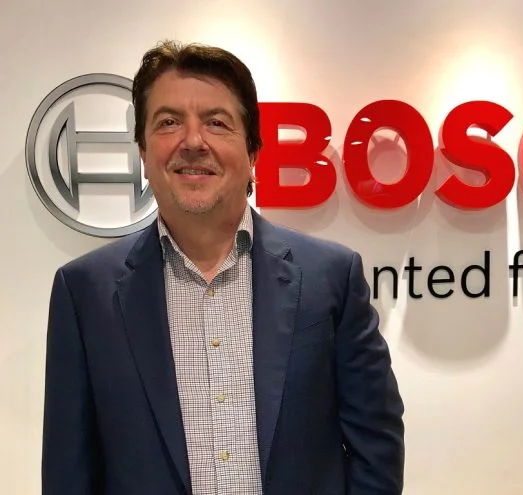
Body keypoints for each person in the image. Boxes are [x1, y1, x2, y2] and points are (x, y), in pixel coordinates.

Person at [41, 40, 405, 495]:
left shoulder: (331, 277)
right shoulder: (84, 294)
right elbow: (69, 471)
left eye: (217, 122)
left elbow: (376, 447)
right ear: (143, 153)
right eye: (168, 122)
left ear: (252, 153)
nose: (193, 142)